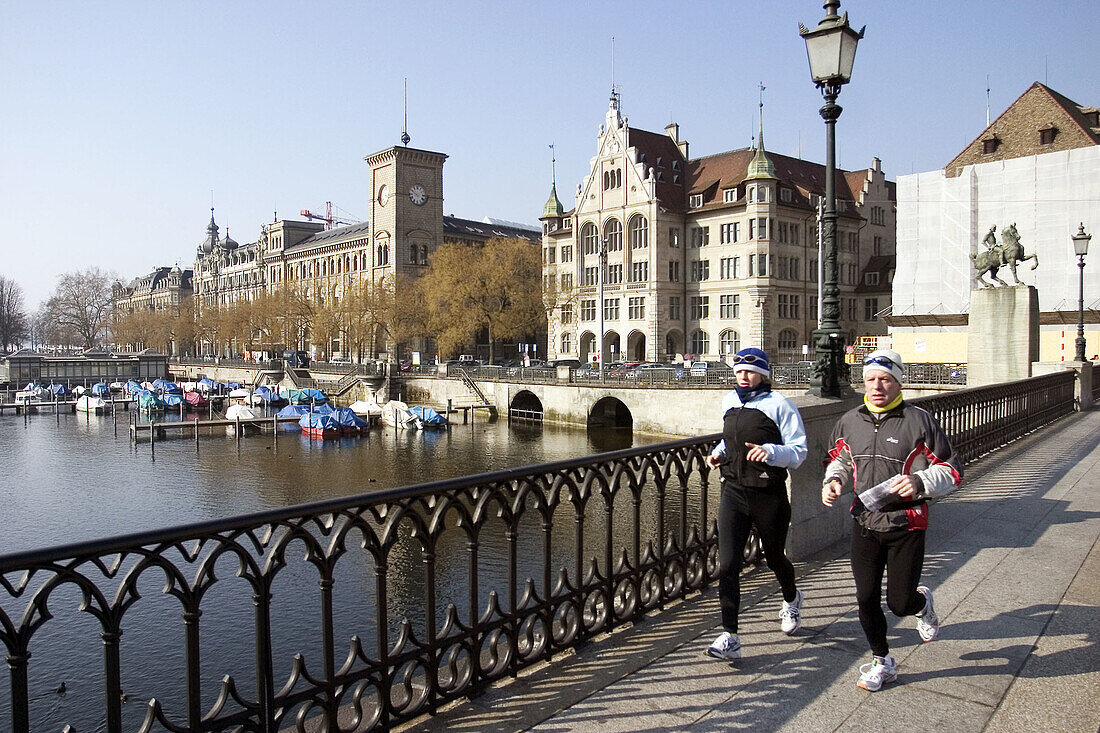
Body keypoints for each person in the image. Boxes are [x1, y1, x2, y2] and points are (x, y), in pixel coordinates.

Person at [822, 348, 962, 691]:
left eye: (885, 379)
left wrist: (919, 482)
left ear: (898, 382)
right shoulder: (850, 420)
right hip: (865, 522)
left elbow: (953, 471)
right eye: (870, 379)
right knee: (865, 596)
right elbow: (840, 459)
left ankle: (921, 602)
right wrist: (833, 481)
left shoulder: (920, 421)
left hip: (906, 525)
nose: (876, 386)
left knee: (898, 603)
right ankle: (882, 660)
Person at [704, 347, 808, 662]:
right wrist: (719, 453)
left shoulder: (779, 405)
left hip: (767, 492)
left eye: (749, 372)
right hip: (733, 490)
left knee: (776, 557)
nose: (743, 377)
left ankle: (791, 598)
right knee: (728, 565)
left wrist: (771, 453)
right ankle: (730, 635)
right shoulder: (729, 402)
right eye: (738, 372)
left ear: (763, 374)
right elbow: (729, 438)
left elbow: (799, 450)